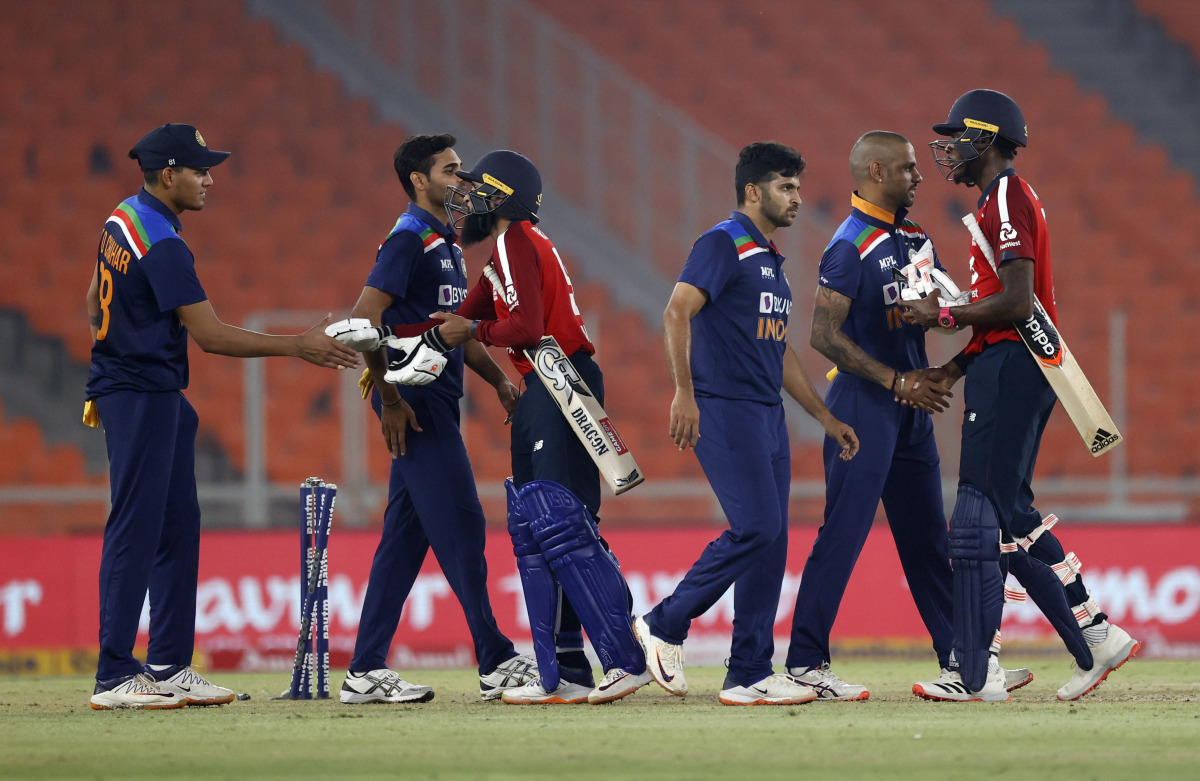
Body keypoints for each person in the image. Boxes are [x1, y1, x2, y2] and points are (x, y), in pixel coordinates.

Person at [85, 123, 361, 710]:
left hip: (149, 392)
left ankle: (167, 664)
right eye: (199, 169)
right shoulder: (162, 241)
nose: (210, 179)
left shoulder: (123, 217)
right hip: (141, 394)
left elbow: (92, 298)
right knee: (137, 527)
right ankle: (113, 675)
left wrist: (108, 362)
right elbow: (210, 337)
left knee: (178, 525)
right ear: (169, 175)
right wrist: (298, 346)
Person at [903, 89, 1141, 701]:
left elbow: (1015, 301)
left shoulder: (1006, 194)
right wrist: (954, 370)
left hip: (1013, 369)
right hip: (1007, 363)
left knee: (979, 513)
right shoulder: (996, 200)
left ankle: (977, 670)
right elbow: (1006, 316)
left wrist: (944, 315)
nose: (950, 148)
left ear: (986, 138)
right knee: (1009, 513)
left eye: (958, 136)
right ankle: (1092, 634)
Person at [634, 142, 860, 706]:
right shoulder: (723, 243)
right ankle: (664, 622)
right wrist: (684, 394)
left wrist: (825, 417)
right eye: (787, 187)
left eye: (798, 188)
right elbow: (676, 309)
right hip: (724, 407)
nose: (796, 198)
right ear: (753, 191)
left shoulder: (771, 262)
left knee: (773, 541)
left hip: (767, 414)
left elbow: (779, 353)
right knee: (757, 528)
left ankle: (750, 674)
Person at [427, 149, 651, 705]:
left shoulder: (515, 240)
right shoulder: (504, 251)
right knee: (540, 526)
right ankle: (569, 670)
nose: (470, 197)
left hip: (560, 380)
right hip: (543, 386)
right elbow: (460, 315)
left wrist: (468, 329)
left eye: (480, 189)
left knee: (564, 525)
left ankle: (624, 657)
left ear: (504, 198)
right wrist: (402, 330)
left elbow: (519, 325)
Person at [334, 134, 536, 705]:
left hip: (435, 398)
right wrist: (391, 398)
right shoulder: (408, 241)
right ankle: (495, 660)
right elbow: (362, 320)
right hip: (415, 403)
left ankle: (365, 670)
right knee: (464, 524)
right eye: (451, 171)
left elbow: (451, 326)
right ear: (420, 180)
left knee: (404, 539)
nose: (462, 180)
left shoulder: (444, 242)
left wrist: (496, 379)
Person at [782, 131, 959, 701]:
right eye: (909, 168)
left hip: (911, 407)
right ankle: (805, 661)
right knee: (846, 532)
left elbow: (932, 311)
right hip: (864, 404)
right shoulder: (848, 244)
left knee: (928, 535)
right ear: (877, 172)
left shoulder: (915, 237)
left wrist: (939, 315)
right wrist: (895, 379)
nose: (920, 176)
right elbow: (821, 335)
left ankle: (962, 659)